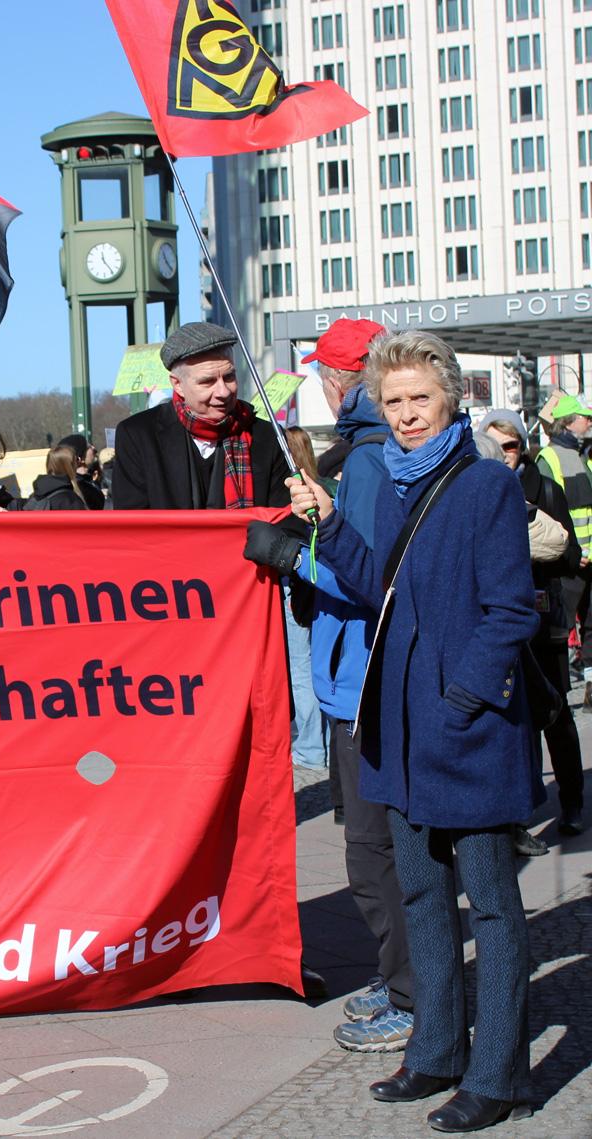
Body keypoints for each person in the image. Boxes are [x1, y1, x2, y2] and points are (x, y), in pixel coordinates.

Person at [288, 331, 538, 1133]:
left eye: (418, 399)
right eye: (391, 402)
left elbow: (511, 611)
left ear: (450, 398)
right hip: (396, 729)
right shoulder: (398, 484)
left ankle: (497, 1072)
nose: (405, 415)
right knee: (424, 895)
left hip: (465, 733)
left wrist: (463, 698)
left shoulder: (485, 485)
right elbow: (377, 585)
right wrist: (328, 523)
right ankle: (435, 1049)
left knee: (492, 906)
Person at [245, 317, 416, 1055]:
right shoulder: (374, 451)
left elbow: (369, 574)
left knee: (373, 852)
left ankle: (412, 993)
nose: (318, 380)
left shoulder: (372, 461)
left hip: (364, 680)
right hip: (363, 678)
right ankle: (402, 976)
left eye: (324, 370)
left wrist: (295, 558)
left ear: (345, 379)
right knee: (378, 847)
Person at [479, 409, 584, 839]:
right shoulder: (478, 487)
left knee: (557, 713)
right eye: (496, 444)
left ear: (522, 446)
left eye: (512, 445)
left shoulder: (545, 489)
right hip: (499, 622)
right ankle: (519, 816)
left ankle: (573, 802)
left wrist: (532, 544)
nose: (505, 454)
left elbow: (570, 552)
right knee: (512, 720)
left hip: (544, 617)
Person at [113, 322, 293, 511]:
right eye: (208, 382)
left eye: (229, 377)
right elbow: (133, 525)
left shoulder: (269, 436)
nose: (223, 392)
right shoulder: (138, 435)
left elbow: (282, 522)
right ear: (177, 385)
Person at [534, 394, 592, 707]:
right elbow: (553, 513)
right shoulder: (553, 457)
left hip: (586, 559)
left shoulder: (581, 454)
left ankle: (590, 688)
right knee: (563, 626)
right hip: (572, 561)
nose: (588, 421)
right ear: (568, 422)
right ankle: (556, 694)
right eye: (584, 417)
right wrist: (572, 550)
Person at [281, 427, 328, 772]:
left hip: (296, 581)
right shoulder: (324, 487)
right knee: (318, 661)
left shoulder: (293, 493)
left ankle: (313, 745)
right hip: (322, 581)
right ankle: (320, 741)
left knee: (301, 666)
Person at [23, 444, 90, 510]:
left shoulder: (35, 496)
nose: (79, 463)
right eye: (76, 460)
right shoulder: (70, 500)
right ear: (69, 467)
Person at [56, 433, 105, 509]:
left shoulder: (87, 484)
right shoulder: (79, 489)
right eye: (89, 447)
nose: (94, 449)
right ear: (79, 458)